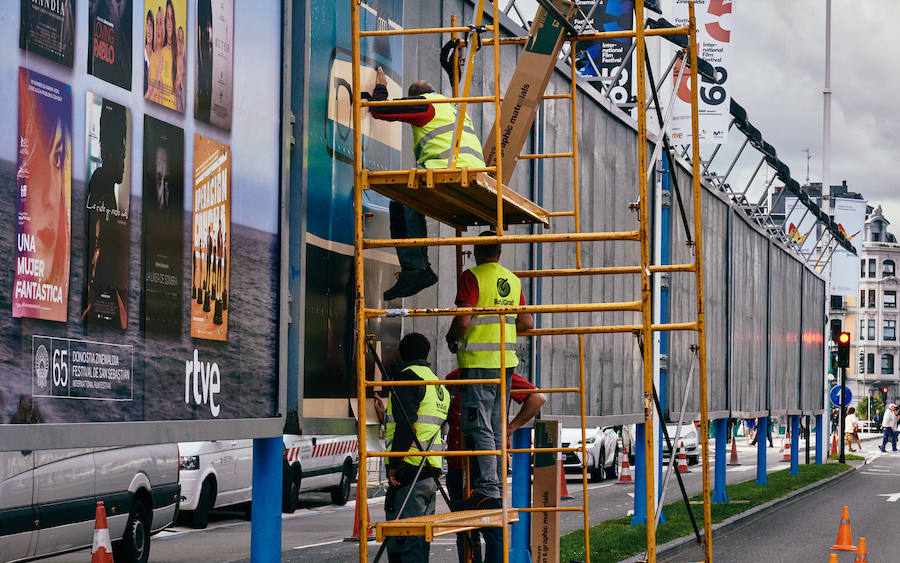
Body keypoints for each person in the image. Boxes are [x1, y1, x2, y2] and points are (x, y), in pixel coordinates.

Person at [366, 60, 486, 301]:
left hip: (449, 171)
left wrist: (379, 90)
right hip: (475, 174)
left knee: (403, 194)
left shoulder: (425, 106)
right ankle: (418, 268)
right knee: (402, 199)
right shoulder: (450, 106)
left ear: (413, 98)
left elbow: (380, 110)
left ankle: (416, 268)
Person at [445, 231, 533, 510]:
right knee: (495, 425)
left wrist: (452, 338)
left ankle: (487, 489)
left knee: (477, 424)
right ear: (500, 252)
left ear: (475, 250)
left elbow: (463, 321)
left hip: (478, 363)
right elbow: (527, 323)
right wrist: (503, 330)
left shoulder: (472, 277)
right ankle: (495, 485)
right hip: (505, 363)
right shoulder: (512, 279)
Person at [445, 369, 545, 563]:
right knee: (464, 529)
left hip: (485, 463)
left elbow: (537, 398)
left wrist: (511, 428)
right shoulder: (454, 377)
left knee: (492, 526)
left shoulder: (494, 372)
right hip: (458, 459)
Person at [372, 333, 449, 563]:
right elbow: (428, 426)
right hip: (430, 469)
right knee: (419, 540)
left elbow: (406, 426)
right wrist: (383, 416)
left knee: (405, 542)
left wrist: (394, 465)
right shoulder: (439, 386)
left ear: (401, 354)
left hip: (410, 468)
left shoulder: (408, 379)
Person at [83, 99, 128, 329]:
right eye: (122, 150)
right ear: (108, 150)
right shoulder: (100, 183)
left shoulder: (105, 187)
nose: (124, 159)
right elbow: (96, 245)